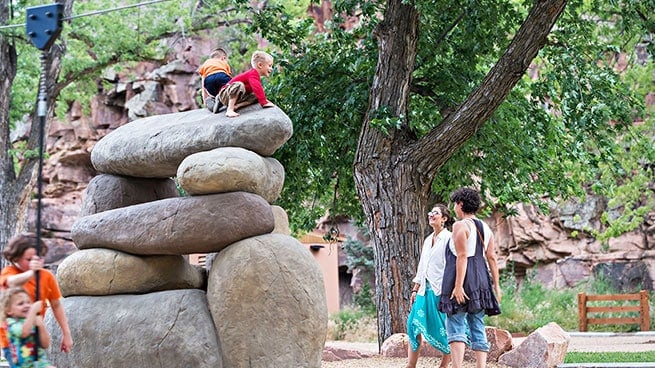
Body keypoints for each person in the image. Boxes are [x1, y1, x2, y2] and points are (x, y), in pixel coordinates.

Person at [438, 187, 502, 368]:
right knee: (477, 322)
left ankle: (457, 366)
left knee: (456, 321)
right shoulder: (486, 227)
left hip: (462, 276)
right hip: (481, 278)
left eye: (455, 204)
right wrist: (496, 285)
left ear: (460, 204)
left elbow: (462, 256)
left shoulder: (460, 225)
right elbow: (491, 257)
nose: (454, 208)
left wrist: (458, 286)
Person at [0, 233, 72, 365]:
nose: (34, 262)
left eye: (38, 259)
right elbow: (10, 283)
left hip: (35, 337)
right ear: (16, 257)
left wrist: (66, 333)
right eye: (28, 259)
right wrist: (31, 273)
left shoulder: (46, 277)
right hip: (13, 341)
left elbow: (56, 305)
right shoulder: (9, 272)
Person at [405, 204, 453, 368]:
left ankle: (445, 364)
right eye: (430, 212)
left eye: (436, 213)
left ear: (444, 219)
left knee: (442, 328)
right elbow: (422, 266)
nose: (431, 215)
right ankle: (411, 365)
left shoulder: (449, 238)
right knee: (412, 325)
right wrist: (415, 288)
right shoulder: (427, 240)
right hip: (423, 291)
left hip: (440, 290)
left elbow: (452, 265)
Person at [1, 288, 55, 368]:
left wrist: (41, 326)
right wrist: (33, 311)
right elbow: (23, 332)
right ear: (9, 311)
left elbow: (45, 344)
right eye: (20, 303)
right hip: (23, 364)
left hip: (40, 362)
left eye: (28, 302)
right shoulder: (11, 322)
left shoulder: (31, 319)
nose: (26, 305)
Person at [217, 50, 275, 118]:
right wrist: (264, 102)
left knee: (255, 95)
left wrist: (265, 100)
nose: (271, 69)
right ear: (260, 65)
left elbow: (258, 91)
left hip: (237, 97)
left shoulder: (256, 76)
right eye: (269, 66)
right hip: (225, 93)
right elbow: (257, 87)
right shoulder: (253, 73)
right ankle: (230, 109)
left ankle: (237, 106)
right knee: (239, 85)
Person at [197, 47, 233, 113]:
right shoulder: (224, 63)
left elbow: (203, 84)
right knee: (230, 89)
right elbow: (230, 80)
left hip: (208, 80)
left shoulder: (206, 63)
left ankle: (212, 100)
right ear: (223, 58)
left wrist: (204, 100)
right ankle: (221, 99)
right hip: (221, 75)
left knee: (214, 93)